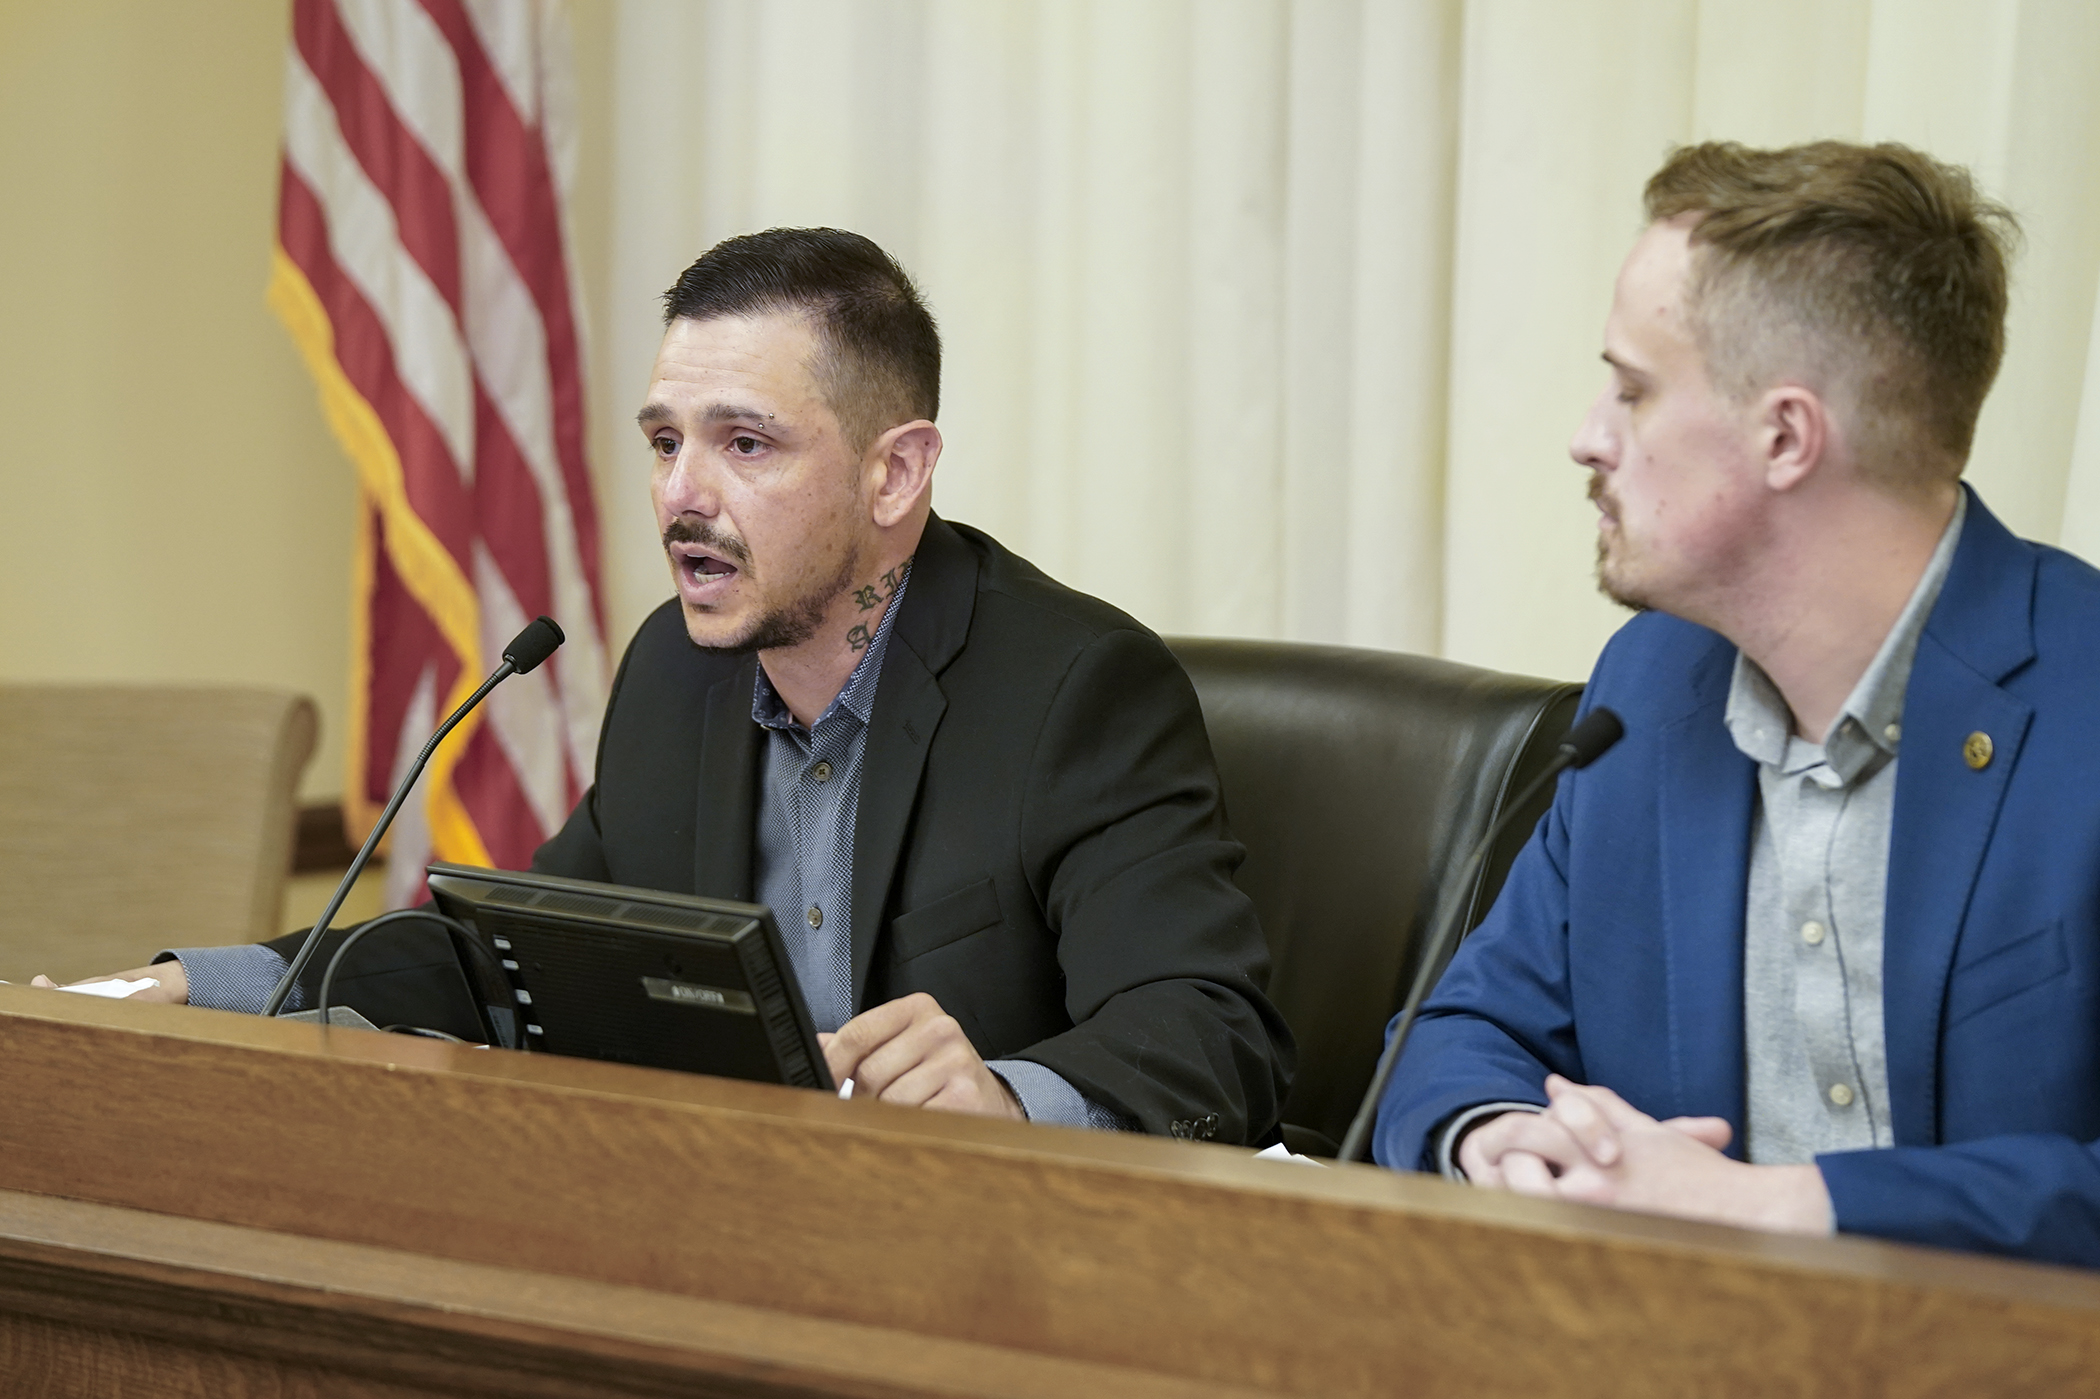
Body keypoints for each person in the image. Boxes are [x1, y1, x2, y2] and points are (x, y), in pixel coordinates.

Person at [52, 228, 1292, 1143]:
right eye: (663, 442)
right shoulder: (673, 674)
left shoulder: (1075, 690)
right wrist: (196, 987)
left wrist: (1007, 1096)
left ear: (895, 475)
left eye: (743, 444)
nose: (681, 496)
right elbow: (498, 963)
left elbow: (1212, 1035)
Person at [1375, 140, 2100, 1267]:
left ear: (1785, 437)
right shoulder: (1646, 689)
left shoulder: (2082, 701)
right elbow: (1466, 1028)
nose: (1589, 436)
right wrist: (1503, 1137)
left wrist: (1785, 1204)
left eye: (1633, 389)